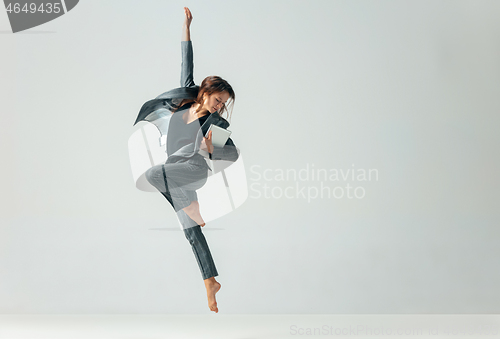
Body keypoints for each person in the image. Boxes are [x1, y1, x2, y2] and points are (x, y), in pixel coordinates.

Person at [134, 7, 239, 313]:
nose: (220, 106)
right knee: (191, 232)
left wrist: (209, 150)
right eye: (218, 100)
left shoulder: (215, 126)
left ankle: (191, 205)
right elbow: (186, 61)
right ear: (206, 92)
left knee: (152, 174)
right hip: (177, 176)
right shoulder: (183, 100)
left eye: (224, 104)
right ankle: (210, 281)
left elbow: (231, 154)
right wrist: (186, 27)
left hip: (192, 171)